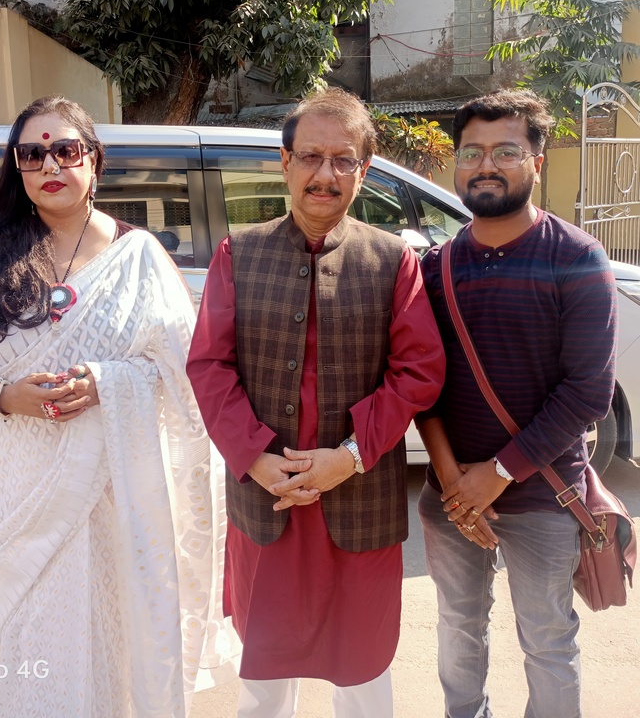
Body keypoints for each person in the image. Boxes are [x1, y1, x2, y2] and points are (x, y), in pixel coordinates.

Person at [0, 95, 216, 718]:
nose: (49, 165)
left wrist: (109, 383)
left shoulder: (140, 255)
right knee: (39, 635)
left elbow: (186, 370)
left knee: (118, 631)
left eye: (65, 149)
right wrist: (4, 396)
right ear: (18, 169)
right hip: (25, 489)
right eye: (31, 155)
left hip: (119, 492)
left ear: (94, 160)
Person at [186, 88, 446, 718]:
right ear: (285, 162)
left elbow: (418, 372)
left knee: (362, 672)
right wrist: (254, 456)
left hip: (359, 496)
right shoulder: (239, 253)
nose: (324, 175)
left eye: (343, 159)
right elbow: (209, 365)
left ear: (364, 168)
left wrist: (349, 456)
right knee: (265, 677)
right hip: (268, 495)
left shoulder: (393, 261)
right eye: (310, 156)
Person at [416, 90, 618, 718]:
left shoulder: (577, 259)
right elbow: (420, 384)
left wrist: (498, 474)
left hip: (543, 497)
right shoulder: (434, 268)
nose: (485, 165)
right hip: (450, 496)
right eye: (471, 152)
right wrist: (454, 483)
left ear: (537, 161)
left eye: (506, 151)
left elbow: (588, 392)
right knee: (458, 628)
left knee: (548, 642)